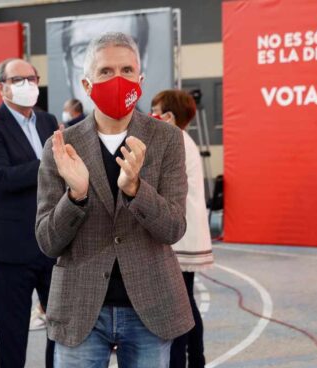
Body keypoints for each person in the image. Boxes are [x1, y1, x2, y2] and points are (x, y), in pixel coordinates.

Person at [36, 32, 194, 367]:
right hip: (80, 308)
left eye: (126, 70)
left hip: (149, 307)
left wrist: (137, 190)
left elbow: (175, 227)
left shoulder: (166, 139)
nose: (118, 79)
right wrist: (75, 197)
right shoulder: (62, 146)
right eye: (106, 71)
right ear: (87, 83)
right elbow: (48, 240)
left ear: (141, 79)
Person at [0, 58, 58, 368]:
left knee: (61, 329)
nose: (28, 85)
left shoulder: (48, 121)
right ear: (2, 87)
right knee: (13, 336)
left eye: (32, 78)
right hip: (10, 248)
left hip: (52, 241)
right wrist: (51, 163)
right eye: (18, 79)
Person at [151, 90, 214, 368]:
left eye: (155, 111)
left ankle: (183, 361)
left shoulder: (174, 140)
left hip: (180, 234)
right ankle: (194, 359)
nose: (150, 116)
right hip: (186, 231)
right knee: (185, 303)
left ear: (168, 116)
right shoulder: (183, 140)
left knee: (178, 307)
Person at [60, 14, 149, 113]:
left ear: (142, 60)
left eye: (121, 47)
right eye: (84, 50)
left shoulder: (160, 129)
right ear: (66, 66)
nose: (115, 80)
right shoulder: (65, 128)